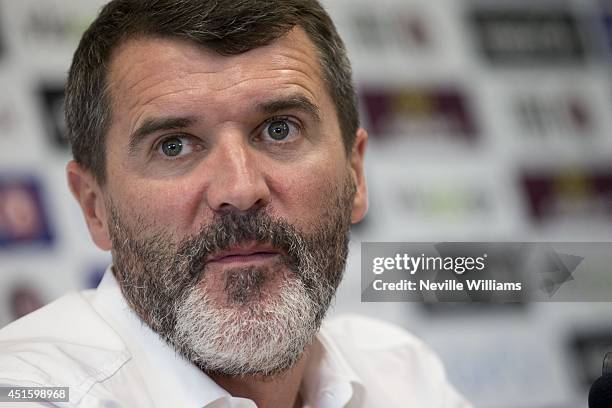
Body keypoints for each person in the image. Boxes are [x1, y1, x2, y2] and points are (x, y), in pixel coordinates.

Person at [0, 1, 471, 407]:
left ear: (355, 175)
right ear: (94, 206)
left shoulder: (403, 377)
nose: (241, 189)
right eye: (174, 145)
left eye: (280, 129)